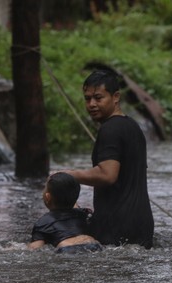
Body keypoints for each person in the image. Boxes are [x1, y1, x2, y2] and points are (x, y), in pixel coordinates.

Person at [64, 70, 154, 249]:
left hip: (116, 226)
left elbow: (107, 175)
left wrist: (68, 175)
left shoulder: (110, 129)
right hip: (141, 225)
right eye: (87, 98)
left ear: (116, 97)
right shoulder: (132, 126)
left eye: (98, 98)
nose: (92, 104)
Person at [28, 172, 103, 254]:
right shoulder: (84, 214)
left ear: (47, 197)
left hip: (67, 249)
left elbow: (35, 248)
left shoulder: (43, 222)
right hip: (94, 245)